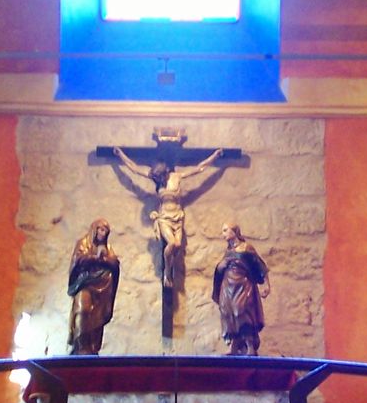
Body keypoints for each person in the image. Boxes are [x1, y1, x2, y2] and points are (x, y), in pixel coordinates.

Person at [113, 146, 224, 286]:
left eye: (161, 176)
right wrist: (120, 155)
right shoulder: (155, 177)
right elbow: (134, 168)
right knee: (172, 243)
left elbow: (199, 168)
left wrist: (215, 156)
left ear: (165, 171)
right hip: (164, 217)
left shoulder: (177, 177)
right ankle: (167, 272)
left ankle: (169, 269)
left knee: (177, 246)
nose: (159, 180)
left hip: (177, 217)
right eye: (157, 177)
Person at [213, 222, 270, 356]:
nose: (223, 234)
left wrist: (267, 285)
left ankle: (250, 345)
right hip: (227, 286)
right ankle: (234, 344)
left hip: (243, 285)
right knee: (227, 312)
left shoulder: (246, 248)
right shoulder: (228, 251)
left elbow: (260, 266)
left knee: (241, 311)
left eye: (226, 230)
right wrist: (220, 266)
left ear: (234, 231)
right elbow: (221, 269)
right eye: (223, 231)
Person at [68, 218, 120, 355]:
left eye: (106, 231)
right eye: (101, 230)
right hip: (85, 283)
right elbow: (78, 260)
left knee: (98, 317)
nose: (103, 233)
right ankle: (80, 345)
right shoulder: (83, 243)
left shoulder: (108, 248)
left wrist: (106, 260)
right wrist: (94, 258)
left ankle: (92, 347)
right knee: (83, 309)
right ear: (94, 230)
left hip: (103, 288)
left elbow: (115, 264)